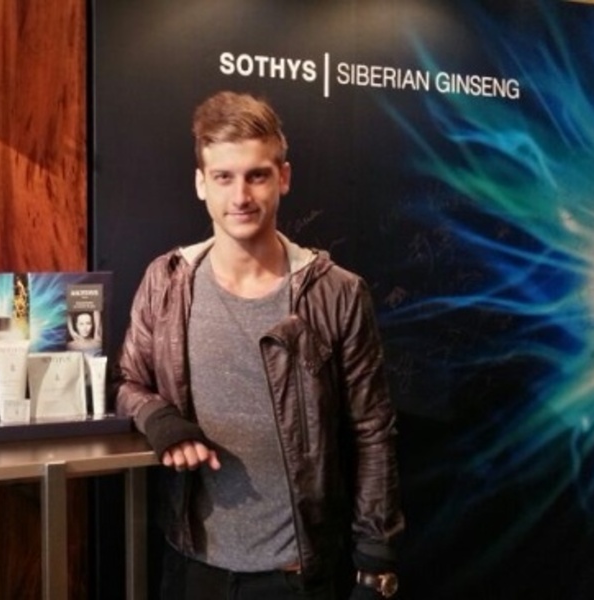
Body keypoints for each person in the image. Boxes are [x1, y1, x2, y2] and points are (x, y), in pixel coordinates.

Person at [115, 91, 404, 599]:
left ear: (283, 178)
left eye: (257, 175)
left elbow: (372, 432)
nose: (240, 196)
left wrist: (375, 562)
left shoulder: (336, 292)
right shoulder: (167, 281)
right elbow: (127, 381)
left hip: (298, 576)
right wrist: (160, 419)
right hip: (193, 568)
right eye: (223, 177)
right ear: (201, 183)